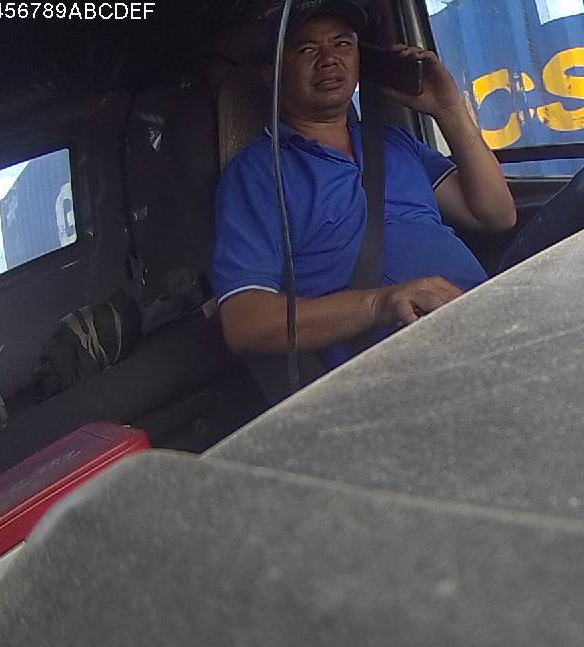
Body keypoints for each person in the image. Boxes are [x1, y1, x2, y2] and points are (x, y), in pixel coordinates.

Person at [210, 0, 515, 373]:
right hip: (406, 363)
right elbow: (245, 322)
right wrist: (379, 304)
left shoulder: (394, 142)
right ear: (274, 72)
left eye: (342, 43)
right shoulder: (258, 172)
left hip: (490, 320)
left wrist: (448, 109)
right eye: (307, 49)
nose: (329, 59)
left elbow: (496, 215)